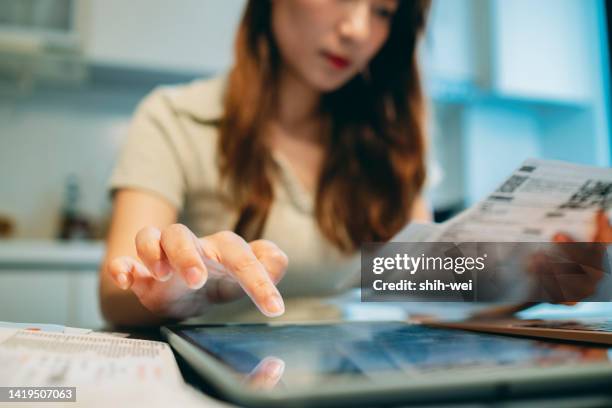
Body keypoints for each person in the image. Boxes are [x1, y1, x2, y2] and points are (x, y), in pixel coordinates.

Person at [99, 0, 611, 327]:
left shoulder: (389, 143)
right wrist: (175, 289)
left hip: (357, 382)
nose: (358, 28)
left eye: (385, 11)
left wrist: (535, 284)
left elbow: (417, 296)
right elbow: (115, 292)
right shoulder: (174, 117)